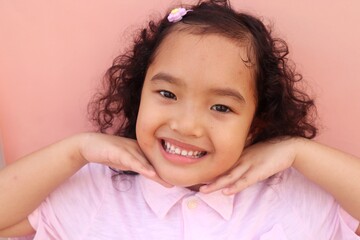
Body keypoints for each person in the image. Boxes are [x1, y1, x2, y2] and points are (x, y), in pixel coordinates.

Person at [0, 0, 359, 239]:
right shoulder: (95, 188)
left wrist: (298, 152)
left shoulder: (293, 193)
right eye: (168, 95)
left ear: (257, 122)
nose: (187, 126)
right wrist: (76, 150)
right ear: (138, 94)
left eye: (221, 107)